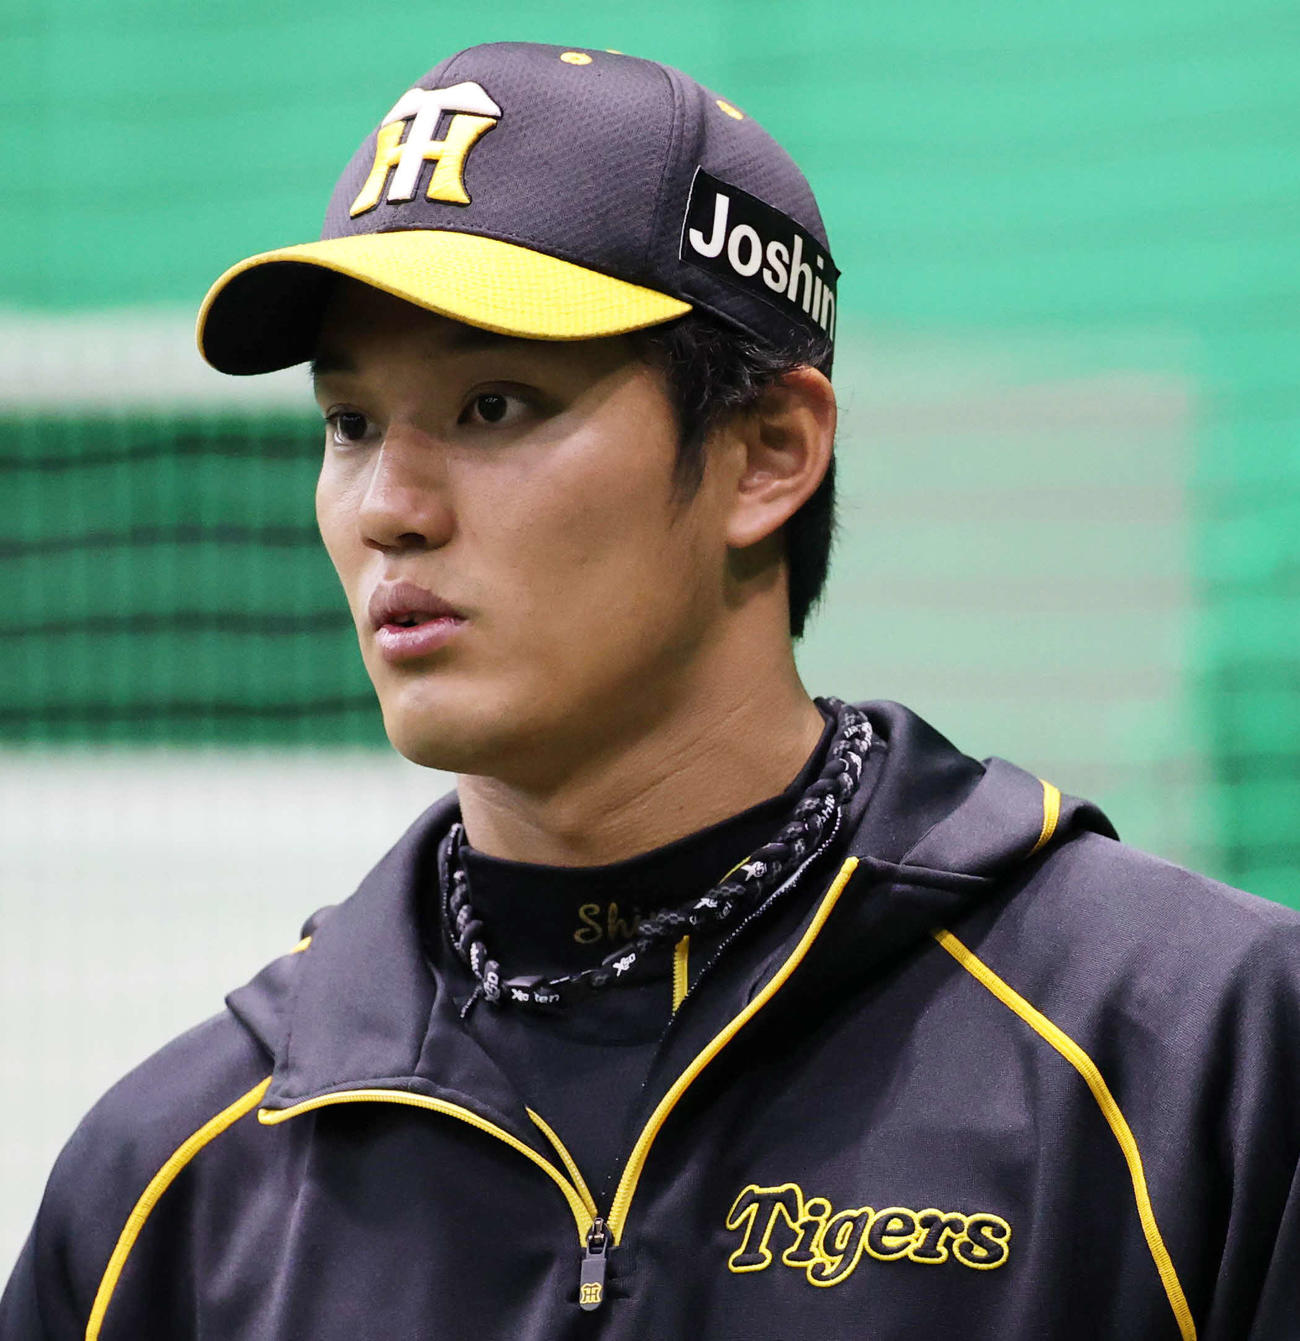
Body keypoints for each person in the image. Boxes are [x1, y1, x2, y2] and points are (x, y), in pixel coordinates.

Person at [3, 39, 1298, 1341]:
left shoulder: (1199, 1054)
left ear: (768, 453)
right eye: (350, 424)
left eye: (494, 404)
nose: (389, 506)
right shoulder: (169, 1184)